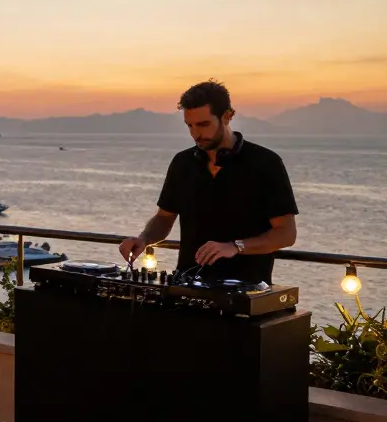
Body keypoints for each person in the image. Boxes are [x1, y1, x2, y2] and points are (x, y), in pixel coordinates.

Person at [120, 80, 298, 284]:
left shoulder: (265, 163)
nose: (196, 133)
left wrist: (235, 246)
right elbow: (163, 218)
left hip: (245, 291)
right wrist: (143, 239)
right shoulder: (182, 163)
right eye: (190, 125)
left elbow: (286, 233)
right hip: (186, 287)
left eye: (203, 124)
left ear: (228, 116)